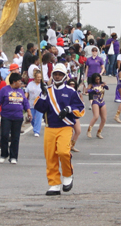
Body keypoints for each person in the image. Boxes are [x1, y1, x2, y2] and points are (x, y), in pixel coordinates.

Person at [34, 63, 85, 195]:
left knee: (63, 152)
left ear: (65, 76)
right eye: (55, 74)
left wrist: (69, 109)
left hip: (65, 127)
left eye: (60, 74)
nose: (57, 76)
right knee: (50, 157)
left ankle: (68, 175)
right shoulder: (47, 90)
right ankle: (54, 184)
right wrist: (44, 95)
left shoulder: (71, 91)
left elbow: (80, 109)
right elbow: (39, 107)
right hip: (50, 127)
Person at [0, 72, 31, 164]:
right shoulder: (4, 90)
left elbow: (25, 102)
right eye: (19, 81)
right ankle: (4, 154)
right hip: (6, 116)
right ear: (14, 82)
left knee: (15, 137)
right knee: (4, 135)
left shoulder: (20, 91)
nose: (21, 83)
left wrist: (29, 112)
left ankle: (13, 156)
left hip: (18, 117)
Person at [85, 72, 108, 139]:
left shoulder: (102, 84)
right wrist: (93, 90)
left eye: (98, 79)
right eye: (96, 79)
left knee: (104, 118)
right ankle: (89, 131)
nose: (98, 81)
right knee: (96, 116)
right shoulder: (92, 85)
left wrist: (104, 86)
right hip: (95, 101)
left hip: (102, 101)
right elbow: (87, 91)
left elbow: (107, 88)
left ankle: (99, 132)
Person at [26, 70, 44, 137]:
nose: (39, 78)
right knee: (32, 118)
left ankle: (36, 131)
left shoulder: (43, 84)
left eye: (40, 77)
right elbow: (27, 92)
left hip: (40, 103)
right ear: (35, 77)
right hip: (31, 103)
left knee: (38, 118)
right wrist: (25, 100)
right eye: (38, 77)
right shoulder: (30, 84)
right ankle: (35, 127)